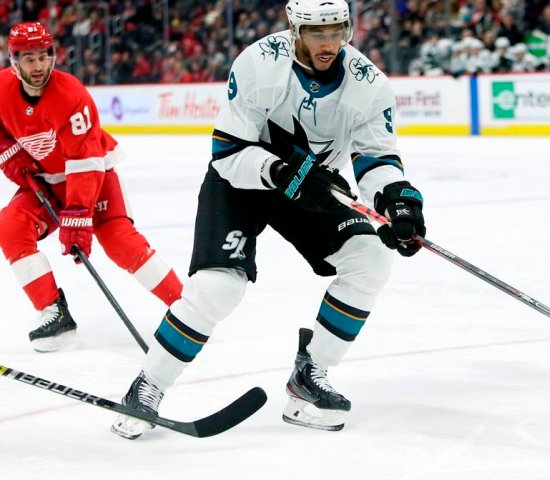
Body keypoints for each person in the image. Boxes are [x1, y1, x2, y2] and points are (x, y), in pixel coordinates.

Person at [111, 0, 426, 439]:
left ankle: (310, 375)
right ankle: (147, 386)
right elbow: (228, 154)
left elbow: (376, 157)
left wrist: (397, 200)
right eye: (317, 33)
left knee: (370, 258)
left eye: (337, 30)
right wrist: (281, 172)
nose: (329, 43)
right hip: (242, 181)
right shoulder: (259, 64)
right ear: (294, 30)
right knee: (217, 288)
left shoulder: (368, 84)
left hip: (311, 187)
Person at [0, 22, 183, 352]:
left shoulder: (70, 94)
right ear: (14, 61)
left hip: (92, 175)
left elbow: (85, 160)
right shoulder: (2, 89)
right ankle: (54, 313)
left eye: (43, 57)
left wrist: (78, 212)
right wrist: (7, 149)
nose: (38, 66)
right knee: (10, 226)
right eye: (29, 59)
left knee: (119, 241)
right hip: (46, 182)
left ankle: (186, 309)